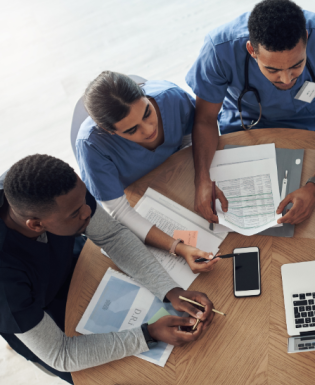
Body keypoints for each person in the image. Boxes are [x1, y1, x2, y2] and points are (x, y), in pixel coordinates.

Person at [0, 155, 215, 384]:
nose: (87, 213)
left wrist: (169, 289)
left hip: (69, 265)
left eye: (84, 198)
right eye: (75, 213)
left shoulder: (51, 192)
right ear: (35, 224)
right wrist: (148, 334)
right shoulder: (6, 283)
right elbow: (61, 354)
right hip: (31, 312)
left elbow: (111, 235)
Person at [186, 0, 315, 226]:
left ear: (307, 38)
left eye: (297, 65)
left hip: (310, 123)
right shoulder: (219, 49)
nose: (286, 79)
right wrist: (202, 179)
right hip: (245, 124)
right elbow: (205, 119)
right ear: (251, 51)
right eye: (272, 69)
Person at [76, 71, 219, 273]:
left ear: (143, 91)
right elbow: (119, 211)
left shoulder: (171, 97)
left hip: (177, 183)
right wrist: (177, 247)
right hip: (137, 202)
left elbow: (188, 142)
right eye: (132, 130)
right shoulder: (91, 145)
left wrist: (201, 181)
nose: (149, 129)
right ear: (109, 131)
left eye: (147, 113)